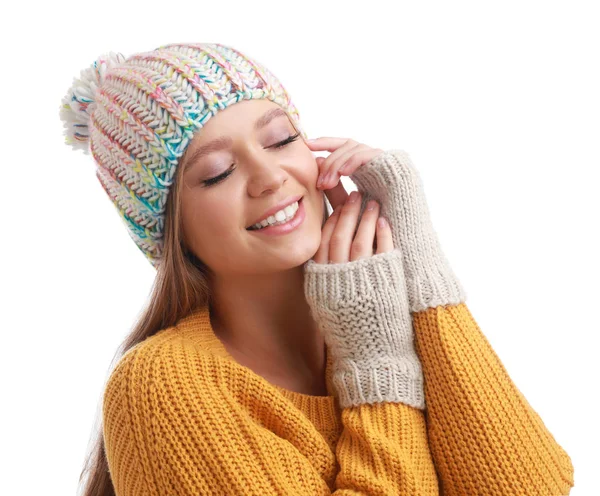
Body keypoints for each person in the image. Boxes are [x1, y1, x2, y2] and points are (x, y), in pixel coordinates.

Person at [60, 42, 575, 495]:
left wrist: (417, 258)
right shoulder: (162, 386)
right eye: (217, 173)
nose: (269, 177)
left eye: (282, 140)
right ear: (171, 230)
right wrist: (375, 364)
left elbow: (526, 485)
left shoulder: (373, 316)